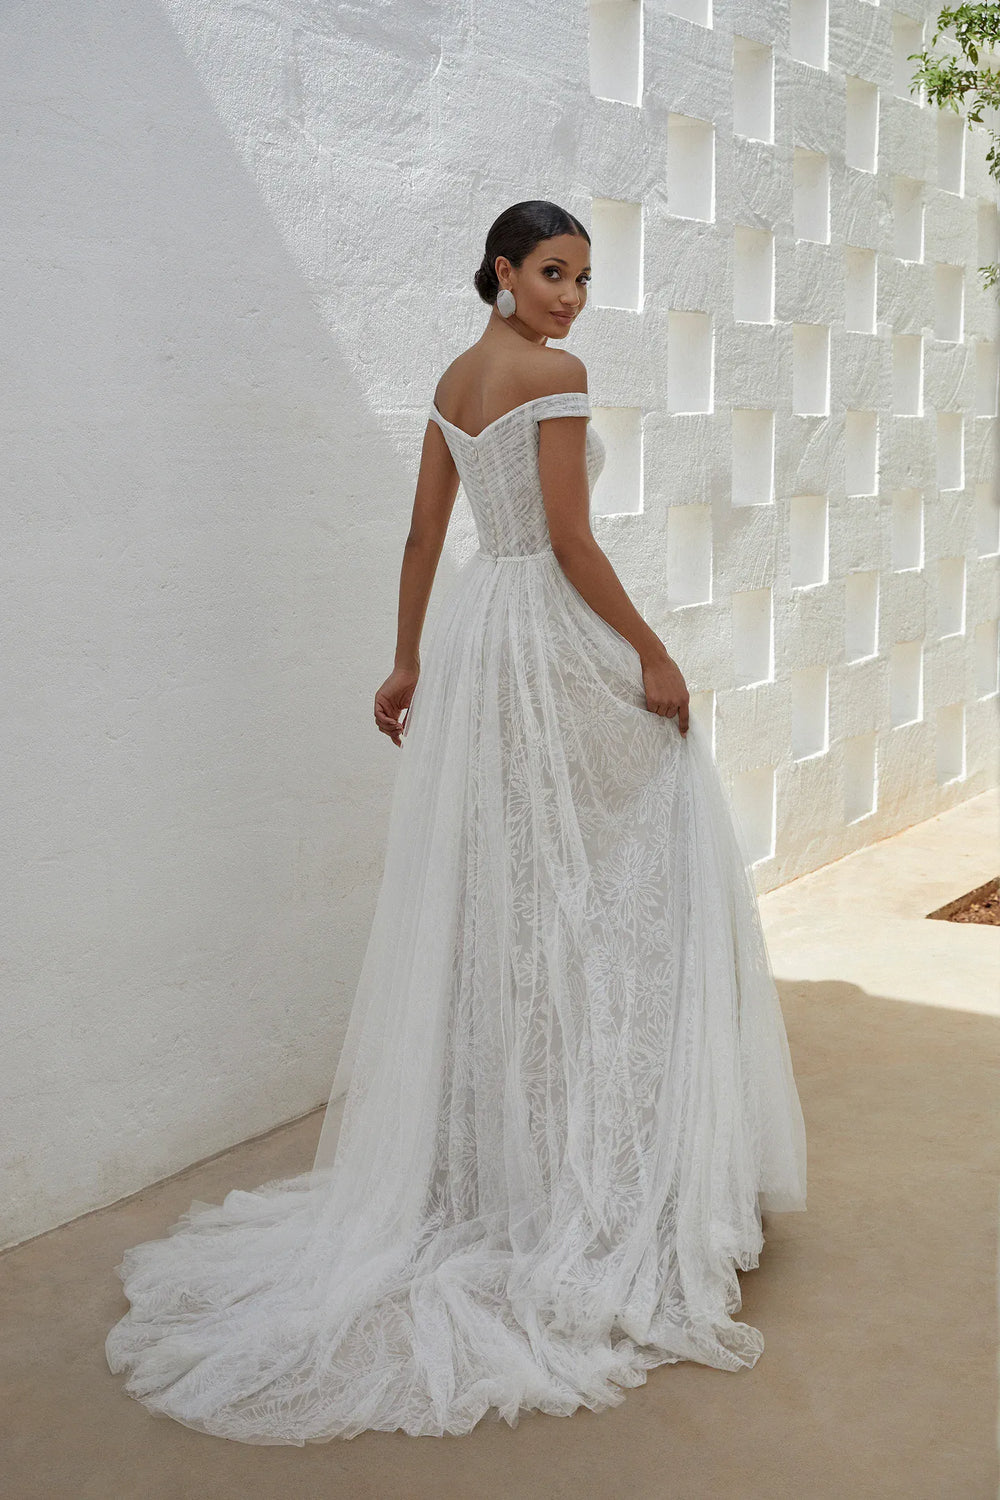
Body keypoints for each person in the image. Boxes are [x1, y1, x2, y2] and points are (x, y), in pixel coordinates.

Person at [105, 199, 807, 1446]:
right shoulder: (553, 374)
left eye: (583, 278)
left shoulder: (452, 375)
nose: (571, 297)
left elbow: (429, 531)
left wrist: (406, 660)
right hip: (547, 637)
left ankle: (520, 1165)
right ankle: (611, 1173)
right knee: (634, 864)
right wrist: (651, 653)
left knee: (518, 894)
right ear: (499, 268)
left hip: (483, 642)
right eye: (551, 272)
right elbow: (574, 540)